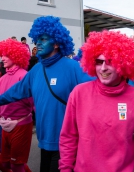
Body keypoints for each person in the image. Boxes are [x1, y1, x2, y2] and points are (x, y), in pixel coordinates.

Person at [0, 16, 94, 172]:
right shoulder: (36, 70)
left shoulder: (73, 67)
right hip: (44, 140)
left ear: (56, 43)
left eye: (43, 39)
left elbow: (98, 90)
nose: (38, 43)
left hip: (67, 142)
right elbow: (15, 92)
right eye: (37, 39)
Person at [59, 30, 134, 172]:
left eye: (110, 61)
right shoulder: (79, 93)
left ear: (123, 62)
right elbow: (68, 137)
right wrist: (65, 169)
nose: (103, 68)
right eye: (99, 61)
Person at [0, 39, 33, 172]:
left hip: (21, 124)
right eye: (2, 55)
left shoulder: (24, 76)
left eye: (6, 55)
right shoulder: (2, 78)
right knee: (4, 164)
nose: (2, 58)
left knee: (17, 164)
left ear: (15, 55)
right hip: (3, 125)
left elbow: (33, 102)